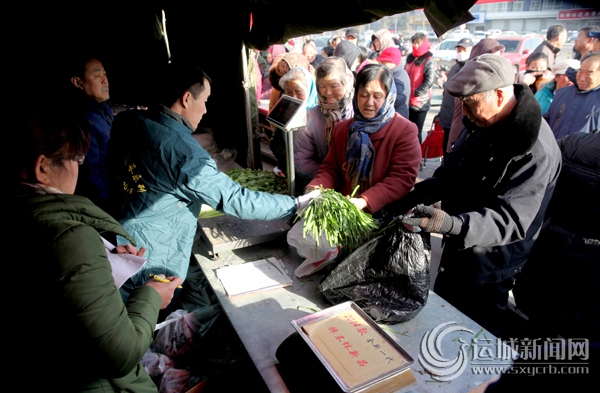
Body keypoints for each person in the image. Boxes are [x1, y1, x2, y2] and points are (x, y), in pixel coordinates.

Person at [106, 62, 319, 300]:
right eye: (204, 100)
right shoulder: (184, 153)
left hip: (119, 240)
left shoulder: (127, 121)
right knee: (147, 315)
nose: (206, 110)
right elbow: (236, 200)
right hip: (153, 256)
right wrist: (296, 204)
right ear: (186, 99)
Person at [11, 107, 182, 392]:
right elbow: (121, 356)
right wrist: (151, 295)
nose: (78, 167)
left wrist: (102, 262)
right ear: (42, 168)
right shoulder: (69, 238)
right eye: (75, 158)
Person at [395, 54, 561, 336]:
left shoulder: (533, 148)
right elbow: (452, 174)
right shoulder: (484, 122)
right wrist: (407, 199)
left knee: (474, 334)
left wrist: (448, 224)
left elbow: (510, 219)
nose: (466, 114)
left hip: (491, 263)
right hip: (458, 247)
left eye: (470, 105)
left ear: (498, 95)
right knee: (443, 320)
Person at [513, 131, 599, 341]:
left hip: (553, 243)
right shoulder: (574, 144)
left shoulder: (574, 143)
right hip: (582, 261)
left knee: (540, 322)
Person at [305, 64, 421, 215]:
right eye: (364, 95)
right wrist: (316, 187)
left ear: (388, 97)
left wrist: (364, 200)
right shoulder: (342, 130)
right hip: (346, 211)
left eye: (377, 96)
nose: (369, 102)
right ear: (355, 95)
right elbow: (331, 169)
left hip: (386, 214)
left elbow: (400, 179)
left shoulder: (404, 131)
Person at [294, 57, 355, 185]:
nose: (327, 92)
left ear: (347, 83)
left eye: (334, 86)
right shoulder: (311, 118)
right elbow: (301, 160)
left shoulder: (360, 113)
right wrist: (330, 178)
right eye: (322, 86)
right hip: (323, 184)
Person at [69, 55, 114, 210]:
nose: (104, 80)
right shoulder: (83, 120)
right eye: (97, 75)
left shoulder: (101, 108)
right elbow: (91, 172)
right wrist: (106, 204)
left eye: (104, 74)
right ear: (78, 82)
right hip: (102, 201)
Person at [445, 38, 505, 153]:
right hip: (462, 134)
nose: (496, 63)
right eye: (492, 58)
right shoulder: (470, 79)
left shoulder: (497, 80)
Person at [269, 66, 319, 179]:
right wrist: (290, 160)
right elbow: (275, 143)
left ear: (310, 89)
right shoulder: (286, 111)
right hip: (289, 172)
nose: (294, 97)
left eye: (298, 91)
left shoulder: (320, 114)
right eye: (289, 92)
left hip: (312, 177)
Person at [544, 52, 600, 139]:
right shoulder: (562, 93)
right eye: (580, 72)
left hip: (583, 152)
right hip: (555, 150)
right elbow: (546, 123)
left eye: (589, 74)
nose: (582, 78)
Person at [439, 37, 473, 157]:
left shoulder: (470, 68)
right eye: (459, 50)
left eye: (464, 50)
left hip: (459, 120)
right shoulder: (454, 67)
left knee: (455, 151)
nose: (461, 53)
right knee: (446, 149)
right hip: (447, 117)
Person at [404, 32, 435, 144]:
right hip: (407, 101)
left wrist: (417, 93)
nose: (415, 45)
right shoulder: (410, 58)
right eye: (414, 43)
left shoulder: (428, 60)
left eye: (418, 43)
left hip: (420, 103)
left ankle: (418, 159)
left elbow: (429, 80)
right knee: (407, 132)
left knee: (417, 132)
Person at [377, 47, 410, 118]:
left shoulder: (398, 77)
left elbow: (397, 100)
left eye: (384, 61)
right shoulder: (397, 73)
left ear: (392, 62)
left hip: (397, 115)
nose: (381, 63)